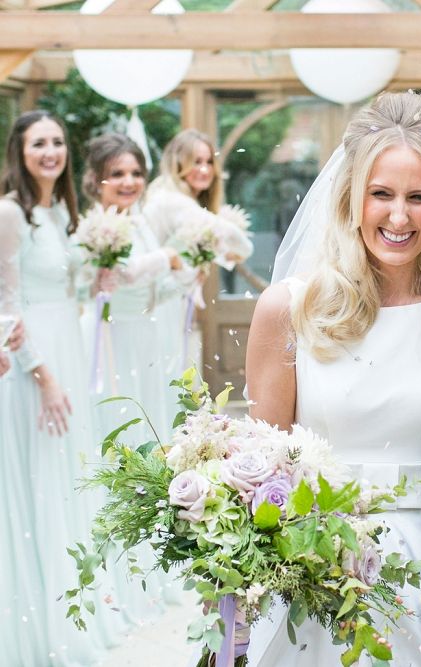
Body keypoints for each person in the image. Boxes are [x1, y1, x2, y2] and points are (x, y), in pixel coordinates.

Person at [243, 91, 421, 666]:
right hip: (311, 569)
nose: (398, 217)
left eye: (418, 198)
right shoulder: (289, 309)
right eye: (382, 194)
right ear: (352, 197)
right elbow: (257, 478)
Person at [0, 110, 119, 665]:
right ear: (19, 153)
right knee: (40, 481)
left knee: (70, 478)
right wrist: (42, 376)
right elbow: (5, 308)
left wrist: (100, 276)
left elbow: (69, 289)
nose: (50, 151)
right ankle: (32, 627)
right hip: (33, 368)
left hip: (67, 348)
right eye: (37, 143)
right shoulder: (9, 213)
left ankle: (69, 611)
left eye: (56, 142)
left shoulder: (62, 214)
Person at [79, 133, 190, 624]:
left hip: (145, 342)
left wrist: (187, 271)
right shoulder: (95, 226)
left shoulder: (142, 222)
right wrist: (166, 257)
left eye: (135, 173)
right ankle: (106, 567)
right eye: (117, 173)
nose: (128, 182)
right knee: (115, 449)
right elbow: (119, 277)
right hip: (109, 344)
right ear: (96, 179)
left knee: (149, 443)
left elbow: (155, 287)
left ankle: (143, 562)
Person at [144, 129, 253, 379]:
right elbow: (240, 243)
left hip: (170, 296)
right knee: (168, 370)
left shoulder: (169, 197)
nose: (204, 169)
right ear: (178, 163)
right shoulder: (174, 202)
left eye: (208, 162)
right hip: (161, 300)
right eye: (196, 162)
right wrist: (233, 251)